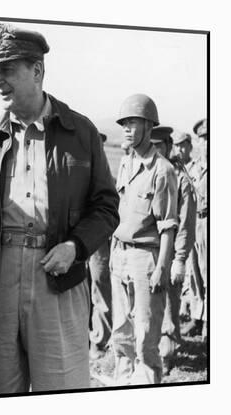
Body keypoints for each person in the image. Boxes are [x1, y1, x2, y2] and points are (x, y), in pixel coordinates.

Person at [0, 23, 119, 393]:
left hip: (58, 278)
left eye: (7, 69)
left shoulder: (81, 133)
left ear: (37, 70)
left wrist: (76, 247)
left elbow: (106, 205)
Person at [111, 94, 178, 385]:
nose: (126, 128)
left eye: (133, 122)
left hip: (146, 260)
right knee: (121, 336)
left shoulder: (163, 170)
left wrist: (163, 266)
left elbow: (167, 226)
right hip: (120, 255)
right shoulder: (126, 163)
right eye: (124, 123)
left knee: (145, 340)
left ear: (149, 126)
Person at [150, 126, 196, 375]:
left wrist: (179, 259)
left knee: (169, 304)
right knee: (151, 305)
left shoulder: (181, 179)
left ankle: (167, 354)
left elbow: (187, 223)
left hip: (170, 253)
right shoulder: (151, 171)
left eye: (159, 146)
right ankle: (152, 350)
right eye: (152, 145)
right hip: (150, 251)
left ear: (168, 146)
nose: (155, 150)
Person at [181, 118, 208, 339]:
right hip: (194, 223)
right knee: (194, 273)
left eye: (209, 138)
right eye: (203, 139)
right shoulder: (193, 168)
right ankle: (197, 318)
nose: (206, 143)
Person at [88, 131, 113, 360]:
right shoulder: (76, 172)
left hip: (98, 242)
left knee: (100, 288)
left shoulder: (107, 178)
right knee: (81, 290)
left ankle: (100, 340)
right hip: (76, 242)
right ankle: (86, 336)